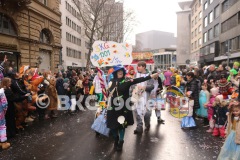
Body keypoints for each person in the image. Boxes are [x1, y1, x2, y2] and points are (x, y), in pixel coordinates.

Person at [107, 65, 159, 151]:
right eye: (118, 71)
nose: (120, 72)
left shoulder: (127, 80)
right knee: (112, 126)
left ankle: (121, 141)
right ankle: (116, 139)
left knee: (121, 126)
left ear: (123, 72)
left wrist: (151, 76)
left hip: (123, 107)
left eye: (121, 71)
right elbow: (108, 92)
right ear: (115, 73)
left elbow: (139, 80)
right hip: (112, 107)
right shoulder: (111, 81)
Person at [133, 61, 154, 134]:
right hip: (137, 96)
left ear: (144, 67)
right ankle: (139, 127)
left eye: (139, 66)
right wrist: (134, 88)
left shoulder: (149, 75)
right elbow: (132, 84)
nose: (138, 67)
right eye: (137, 66)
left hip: (146, 96)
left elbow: (152, 86)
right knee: (137, 111)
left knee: (147, 114)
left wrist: (144, 87)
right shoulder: (136, 75)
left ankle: (147, 124)